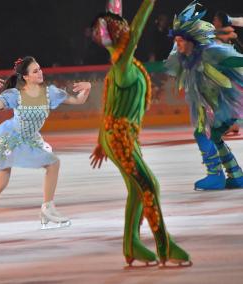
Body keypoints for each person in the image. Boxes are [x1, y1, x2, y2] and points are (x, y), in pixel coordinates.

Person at [90, 0, 191, 267]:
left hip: (118, 138)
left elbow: (108, 106)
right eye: (120, 26)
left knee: (137, 190)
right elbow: (136, 27)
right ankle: (164, 247)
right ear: (118, 35)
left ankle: (131, 244)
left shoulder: (120, 67)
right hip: (121, 139)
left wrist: (101, 142)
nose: (127, 28)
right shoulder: (122, 64)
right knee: (150, 186)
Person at [0, 56, 91, 231]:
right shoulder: (15, 95)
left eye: (40, 69)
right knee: (2, 181)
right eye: (35, 71)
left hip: (31, 140)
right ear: (25, 76)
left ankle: (47, 209)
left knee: (53, 163)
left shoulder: (50, 93)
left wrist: (87, 88)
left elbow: (78, 100)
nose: (40, 73)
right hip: (11, 138)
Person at [166, 2, 243, 191]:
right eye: (176, 40)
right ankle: (236, 175)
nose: (177, 44)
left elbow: (231, 59)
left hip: (228, 103)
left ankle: (215, 175)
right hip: (215, 104)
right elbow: (169, 65)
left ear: (192, 39)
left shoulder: (209, 52)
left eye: (180, 40)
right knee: (214, 136)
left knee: (203, 133)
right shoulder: (185, 58)